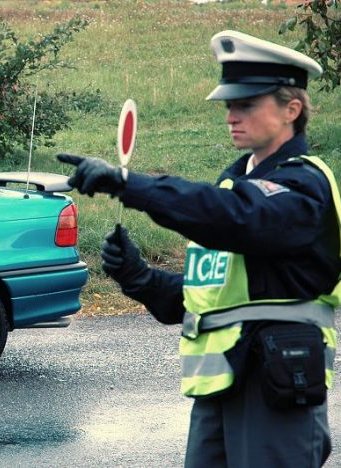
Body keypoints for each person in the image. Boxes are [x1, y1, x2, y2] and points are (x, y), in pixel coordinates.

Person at [58, 30, 338, 467]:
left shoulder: (303, 184)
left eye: (247, 104)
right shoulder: (234, 185)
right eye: (229, 106)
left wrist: (131, 185)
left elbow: (235, 218)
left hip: (276, 382)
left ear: (292, 109)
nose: (232, 116)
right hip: (223, 386)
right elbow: (207, 298)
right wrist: (139, 278)